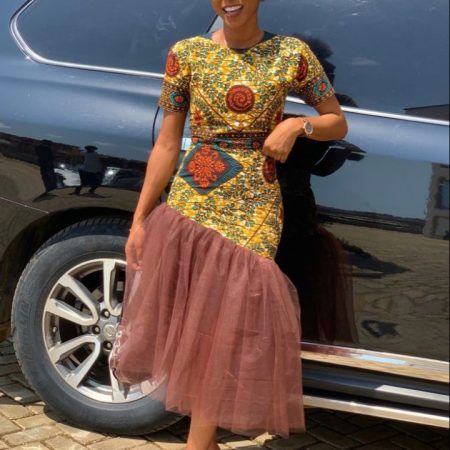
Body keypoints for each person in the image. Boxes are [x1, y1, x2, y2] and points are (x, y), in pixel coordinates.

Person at [109, 1, 348, 449]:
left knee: (230, 326)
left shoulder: (291, 53)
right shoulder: (186, 53)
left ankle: (198, 444)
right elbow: (167, 144)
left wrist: (298, 125)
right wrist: (140, 220)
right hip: (193, 201)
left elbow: (337, 122)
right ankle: (202, 443)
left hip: (255, 206)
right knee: (198, 322)